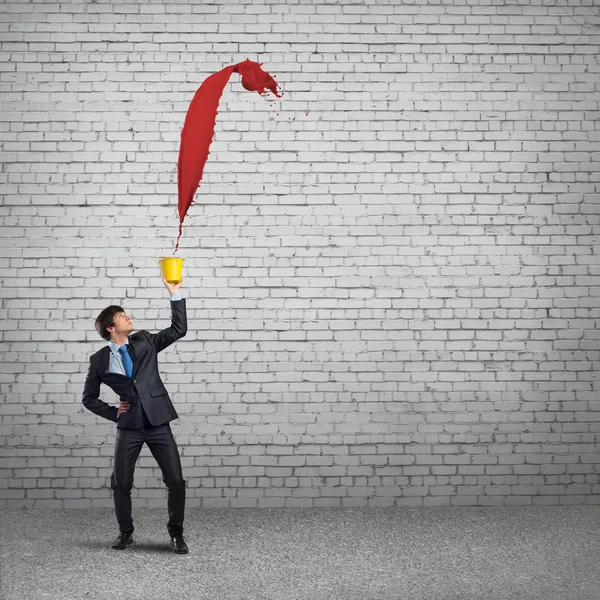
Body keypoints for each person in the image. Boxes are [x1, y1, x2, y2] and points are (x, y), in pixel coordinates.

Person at [82, 276, 189, 553]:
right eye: (121, 316)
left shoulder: (145, 341)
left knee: (175, 480)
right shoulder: (99, 360)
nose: (127, 317)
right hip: (128, 426)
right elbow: (89, 399)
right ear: (110, 327)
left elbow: (178, 329)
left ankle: (176, 533)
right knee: (120, 483)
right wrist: (115, 413)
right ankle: (125, 532)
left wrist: (174, 294)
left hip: (157, 422)